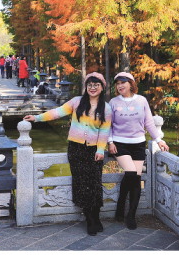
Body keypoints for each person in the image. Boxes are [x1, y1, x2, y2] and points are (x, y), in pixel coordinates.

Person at [23, 72, 111, 236]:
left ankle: (96, 216)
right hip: (76, 149)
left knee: (95, 183)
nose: (92, 88)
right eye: (90, 85)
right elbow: (57, 112)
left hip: (94, 151)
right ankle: (89, 219)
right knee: (81, 183)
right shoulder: (77, 102)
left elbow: (104, 131)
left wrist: (100, 149)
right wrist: (37, 118)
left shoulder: (106, 108)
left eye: (96, 85)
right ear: (86, 86)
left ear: (102, 87)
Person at [108, 72, 169, 230]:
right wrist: (110, 142)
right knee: (130, 173)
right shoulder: (113, 102)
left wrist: (158, 140)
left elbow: (149, 122)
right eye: (117, 83)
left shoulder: (141, 100)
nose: (120, 86)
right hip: (120, 143)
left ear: (131, 84)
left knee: (136, 177)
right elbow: (108, 124)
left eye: (123, 82)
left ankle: (130, 215)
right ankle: (121, 203)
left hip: (138, 144)